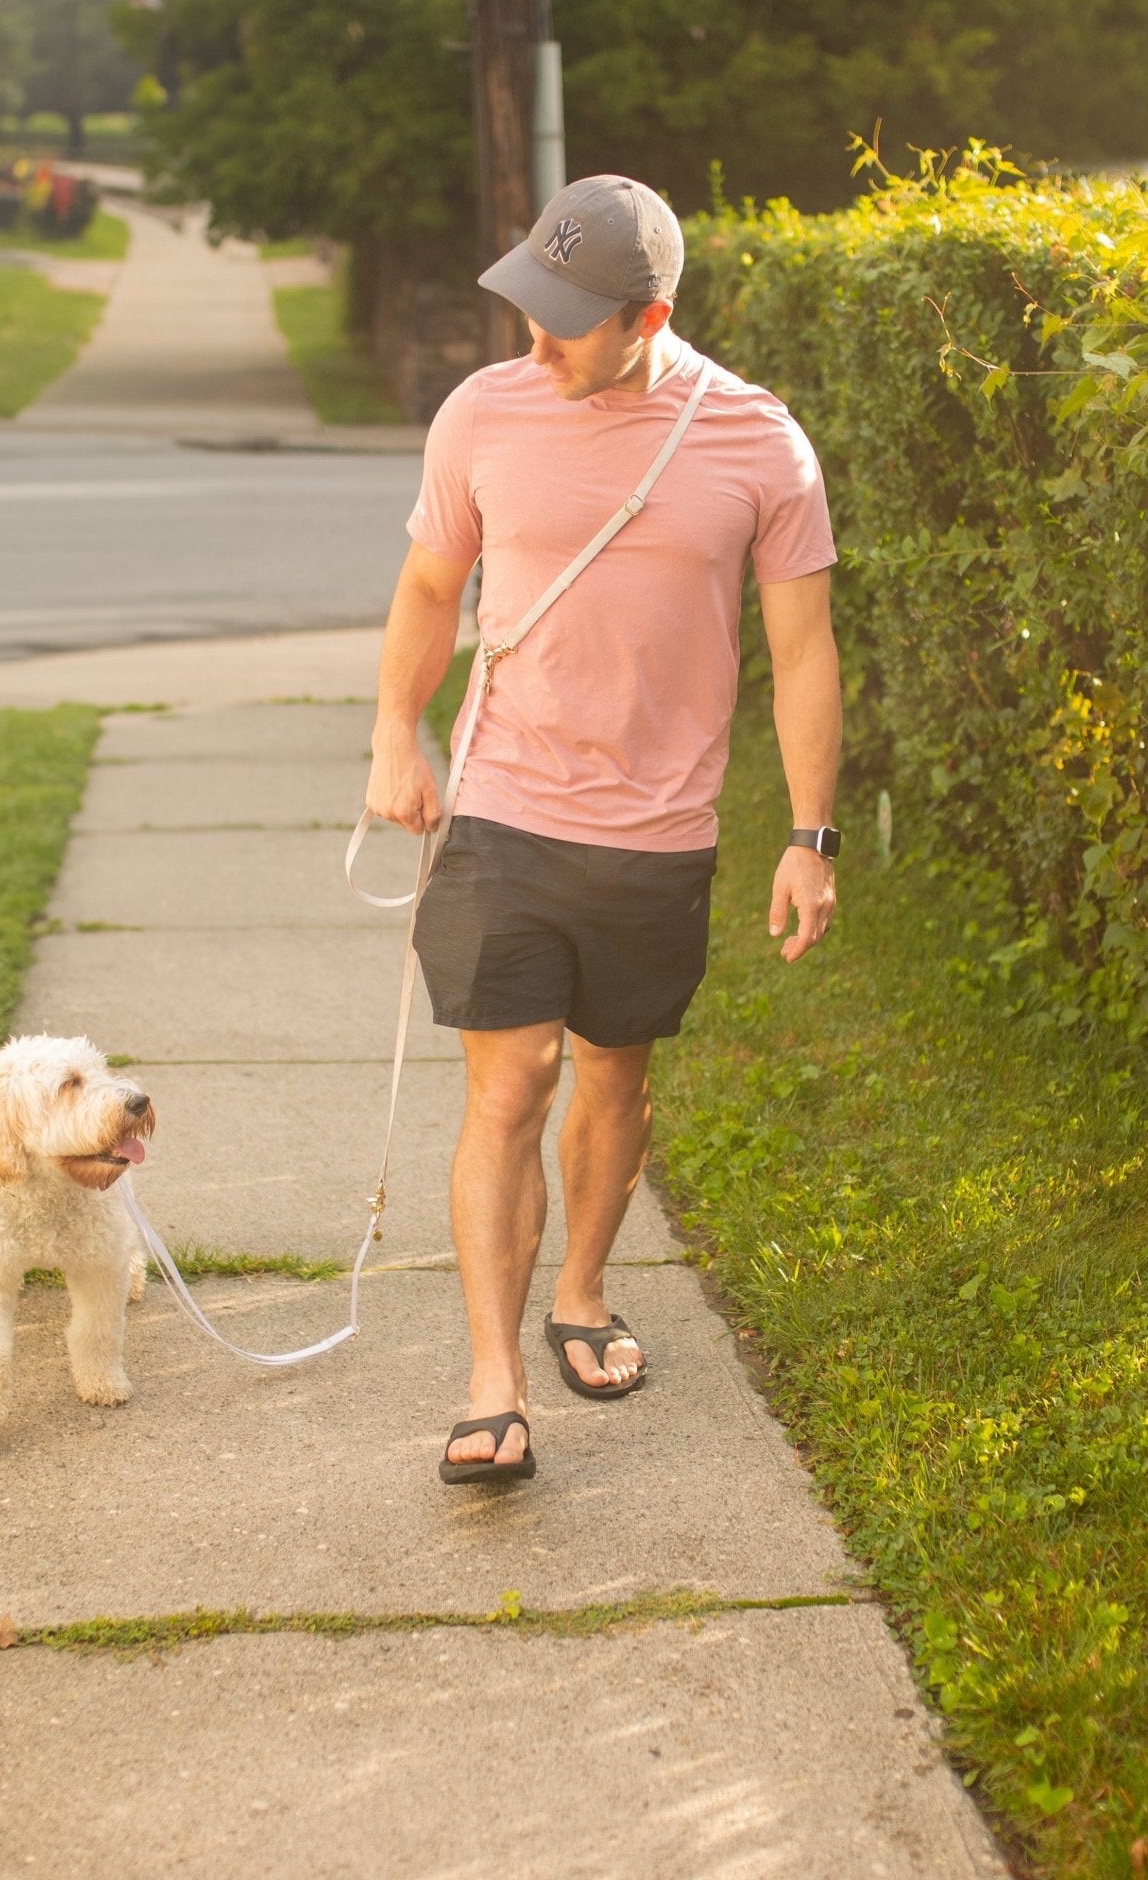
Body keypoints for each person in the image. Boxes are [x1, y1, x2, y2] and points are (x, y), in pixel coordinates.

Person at [366, 174, 841, 1484]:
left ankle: (579, 1291)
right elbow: (426, 582)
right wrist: (392, 733)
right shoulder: (482, 413)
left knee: (613, 1074)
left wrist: (812, 835)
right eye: (528, 307)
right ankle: (492, 1379)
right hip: (502, 805)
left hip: (657, 829)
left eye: (566, 321)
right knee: (509, 1079)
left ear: (650, 315)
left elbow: (802, 651)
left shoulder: (755, 440)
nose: (536, 342)